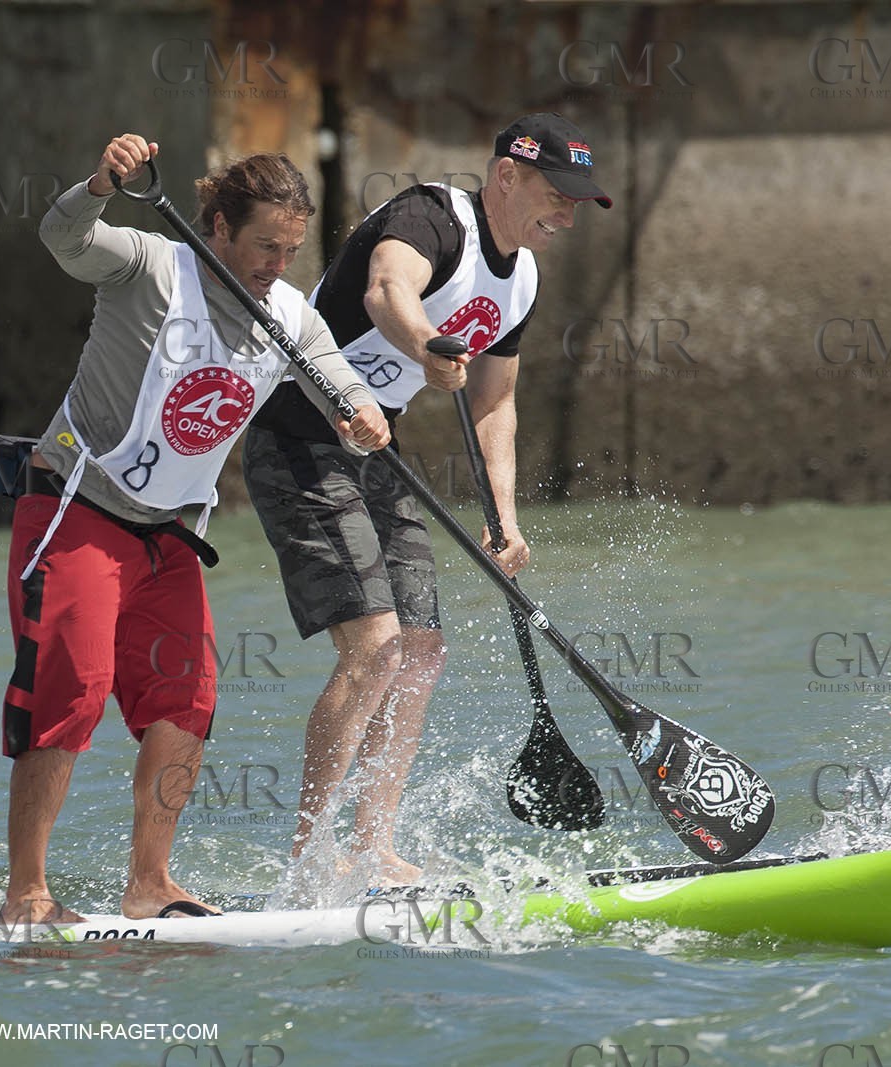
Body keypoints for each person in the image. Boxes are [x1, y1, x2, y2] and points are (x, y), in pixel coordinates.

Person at [0, 133, 391, 924]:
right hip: (75, 507)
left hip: (165, 536)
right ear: (218, 229)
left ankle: (150, 882)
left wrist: (362, 414)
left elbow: (339, 381)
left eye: (289, 250)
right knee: (69, 691)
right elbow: (64, 238)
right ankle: (27, 893)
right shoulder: (147, 265)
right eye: (263, 247)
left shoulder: (289, 316)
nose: (276, 264)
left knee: (188, 700)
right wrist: (100, 182)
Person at [243, 113, 611, 886]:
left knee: (420, 651)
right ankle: (310, 858)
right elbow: (386, 292)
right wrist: (427, 346)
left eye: (578, 203)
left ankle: (374, 847)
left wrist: (504, 519)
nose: (568, 214)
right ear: (506, 175)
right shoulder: (432, 217)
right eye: (558, 194)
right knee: (373, 646)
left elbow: (495, 403)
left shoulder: (525, 280)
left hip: (378, 449)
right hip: (300, 432)